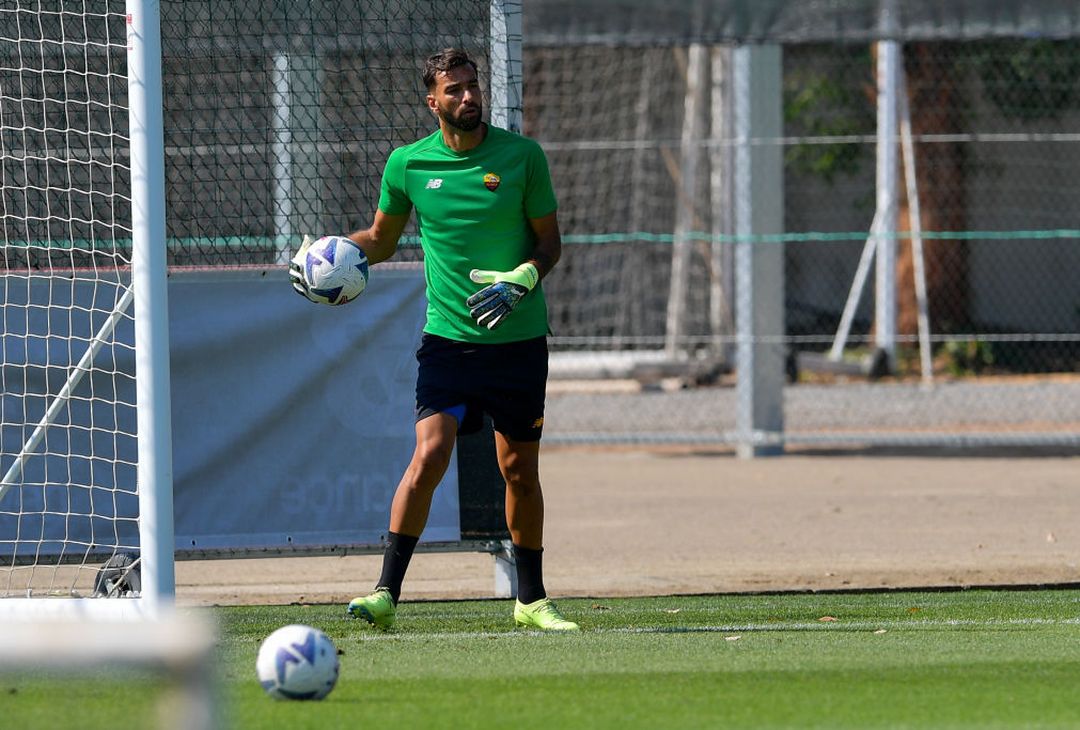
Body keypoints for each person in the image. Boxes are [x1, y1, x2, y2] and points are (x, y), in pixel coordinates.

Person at [302, 48, 577, 631]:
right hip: (448, 341)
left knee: (519, 471)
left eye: (472, 86)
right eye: (454, 90)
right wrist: (327, 256)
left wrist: (521, 280)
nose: (468, 97)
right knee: (429, 454)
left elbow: (549, 245)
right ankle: (384, 595)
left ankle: (531, 601)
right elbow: (379, 239)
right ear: (433, 103)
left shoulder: (522, 157)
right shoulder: (407, 165)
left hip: (517, 340)